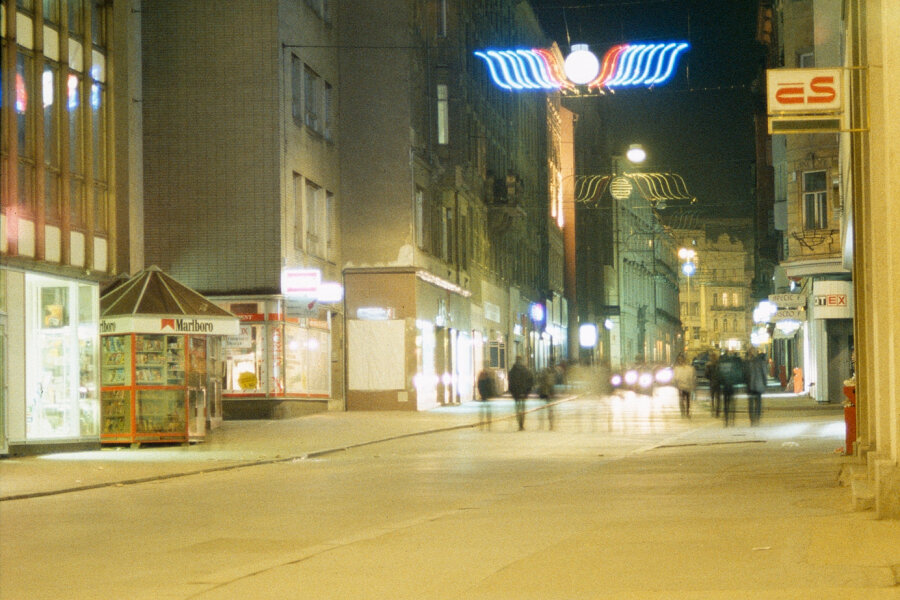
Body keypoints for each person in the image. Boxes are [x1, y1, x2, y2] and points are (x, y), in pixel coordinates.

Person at [717, 351, 744, 427]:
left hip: (725, 386)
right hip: (731, 386)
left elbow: (719, 375)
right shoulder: (733, 365)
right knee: (732, 403)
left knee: (726, 403)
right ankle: (731, 418)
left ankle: (726, 419)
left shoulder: (722, 365)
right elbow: (737, 374)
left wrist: (720, 383)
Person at [508, 356, 534, 431]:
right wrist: (527, 391)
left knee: (518, 408)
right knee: (522, 408)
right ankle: (521, 424)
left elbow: (510, 382)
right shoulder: (526, 370)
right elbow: (530, 381)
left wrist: (512, 392)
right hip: (523, 392)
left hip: (516, 393)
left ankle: (519, 423)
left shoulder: (512, 370)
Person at [745, 349, 768, 425]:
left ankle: (752, 419)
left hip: (750, 385)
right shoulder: (761, 363)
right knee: (758, 402)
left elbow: (745, 374)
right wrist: (765, 383)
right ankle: (757, 418)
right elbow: (764, 374)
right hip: (758, 385)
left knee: (751, 403)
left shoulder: (748, 363)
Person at [673, 353, 696, 418]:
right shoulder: (689, 368)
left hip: (681, 386)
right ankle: (687, 412)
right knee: (687, 399)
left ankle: (683, 412)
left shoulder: (677, 369)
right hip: (686, 386)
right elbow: (692, 377)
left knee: (682, 399)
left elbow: (675, 378)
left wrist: (675, 382)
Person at [537, 365, 557, 430]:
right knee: (550, 410)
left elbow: (540, 386)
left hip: (543, 394)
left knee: (542, 409)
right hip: (548, 395)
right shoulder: (550, 376)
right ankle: (551, 424)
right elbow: (551, 386)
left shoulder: (541, 377)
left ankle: (541, 425)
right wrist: (552, 393)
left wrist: (540, 393)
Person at [705, 351, 721, 417]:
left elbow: (706, 375)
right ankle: (716, 411)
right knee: (716, 398)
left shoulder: (709, 365)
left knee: (713, 397)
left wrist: (710, 378)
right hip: (717, 382)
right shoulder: (718, 364)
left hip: (713, 382)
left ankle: (714, 410)